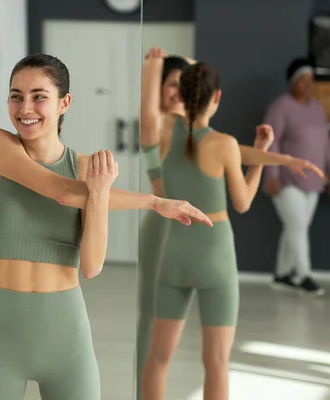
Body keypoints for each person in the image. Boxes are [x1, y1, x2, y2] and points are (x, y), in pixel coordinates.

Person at [0, 53, 214, 400]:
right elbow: (62, 192)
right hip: (0, 338)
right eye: (16, 96)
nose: (25, 108)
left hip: (67, 340)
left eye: (39, 96)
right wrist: (153, 202)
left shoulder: (84, 169)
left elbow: (92, 266)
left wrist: (100, 194)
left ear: (64, 102)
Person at [139, 48, 325, 400]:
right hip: (215, 257)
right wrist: (261, 160)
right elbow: (242, 202)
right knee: (217, 362)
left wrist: (152, 68)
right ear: (218, 97)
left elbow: (153, 109)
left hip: (174, 255)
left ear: (180, 95)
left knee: (159, 358)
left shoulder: (163, 132)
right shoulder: (222, 145)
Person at [136, 54, 190, 400]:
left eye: (185, 84)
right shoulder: (155, 123)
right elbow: (147, 107)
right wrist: (154, 68)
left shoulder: (197, 126)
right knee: (151, 319)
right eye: (172, 83)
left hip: (190, 234)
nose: (179, 91)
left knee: (174, 326)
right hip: (161, 230)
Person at [263, 57, 329, 296]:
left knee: (295, 229)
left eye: (311, 80)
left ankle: (282, 275)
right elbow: (271, 142)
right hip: (285, 180)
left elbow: (324, 143)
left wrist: (328, 173)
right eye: (304, 80)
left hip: (313, 181)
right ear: (293, 82)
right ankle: (304, 275)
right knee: (298, 228)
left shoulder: (317, 109)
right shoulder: (280, 106)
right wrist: (271, 174)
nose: (308, 85)